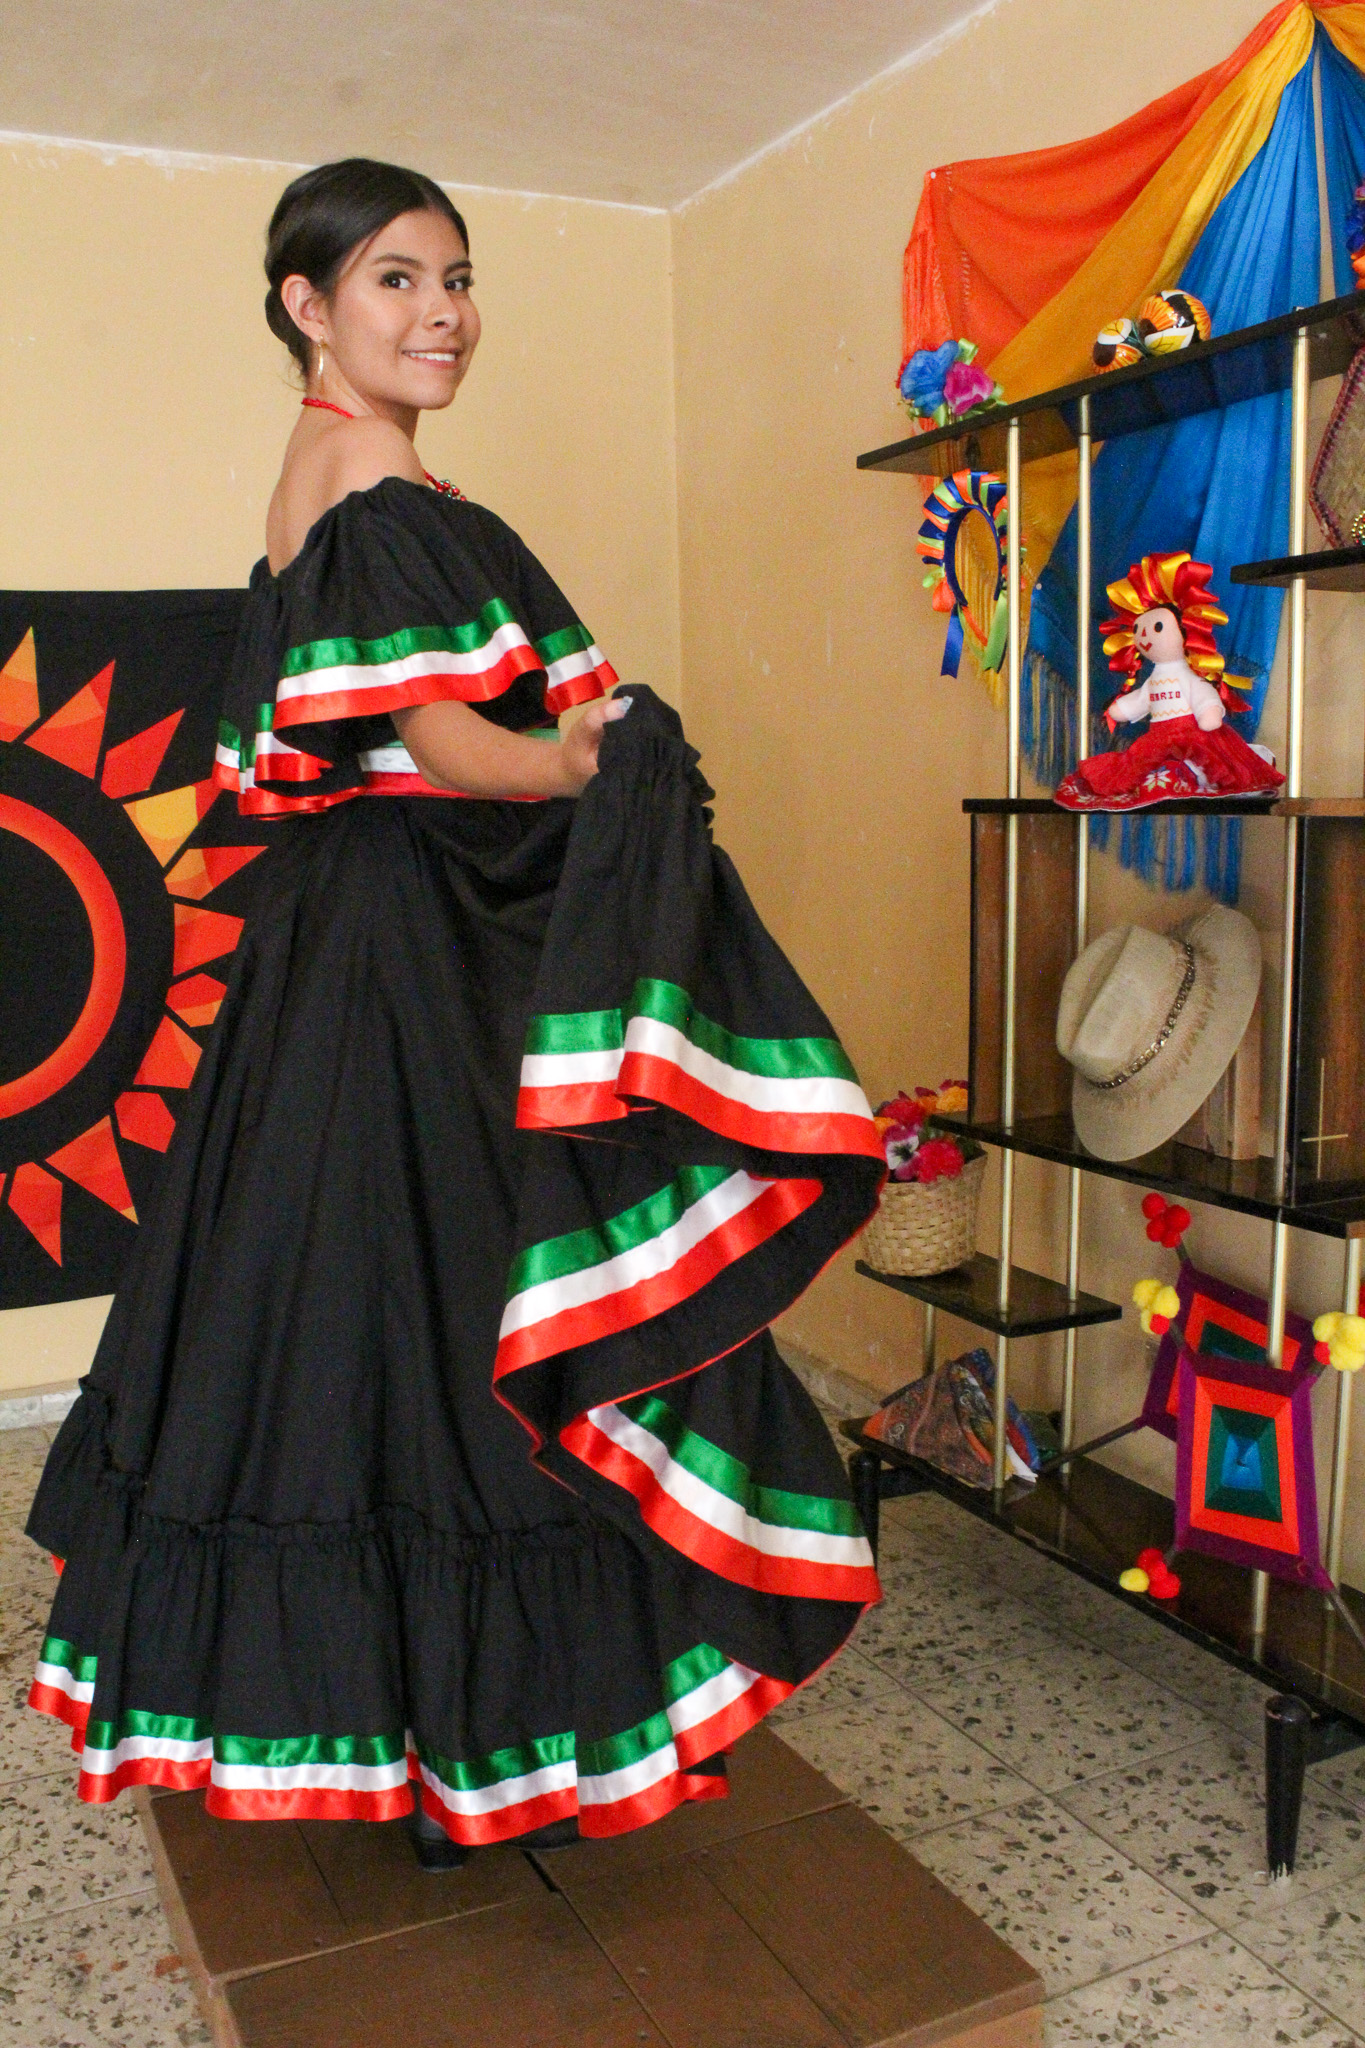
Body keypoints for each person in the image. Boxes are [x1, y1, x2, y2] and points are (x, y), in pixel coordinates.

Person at [25, 159, 884, 1866]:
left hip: (348, 940)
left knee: (386, 1306)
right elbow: (438, 741)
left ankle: (432, 1734)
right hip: (409, 944)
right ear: (307, 305)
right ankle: (481, 1739)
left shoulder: (327, 474)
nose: (444, 314)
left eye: (459, 278)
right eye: (398, 279)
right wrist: (578, 756)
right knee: (470, 1291)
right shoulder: (367, 479)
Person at [1052, 551, 1284, 812]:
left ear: (1185, 632)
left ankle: (1196, 776)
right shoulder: (1153, 680)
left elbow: (1201, 692)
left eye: (1157, 628)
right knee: (1138, 767)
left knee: (1209, 765)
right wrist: (1120, 709)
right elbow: (1142, 699)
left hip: (1190, 735)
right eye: (1138, 629)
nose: (1144, 636)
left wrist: (1209, 709)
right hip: (1157, 738)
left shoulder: (1187, 676)